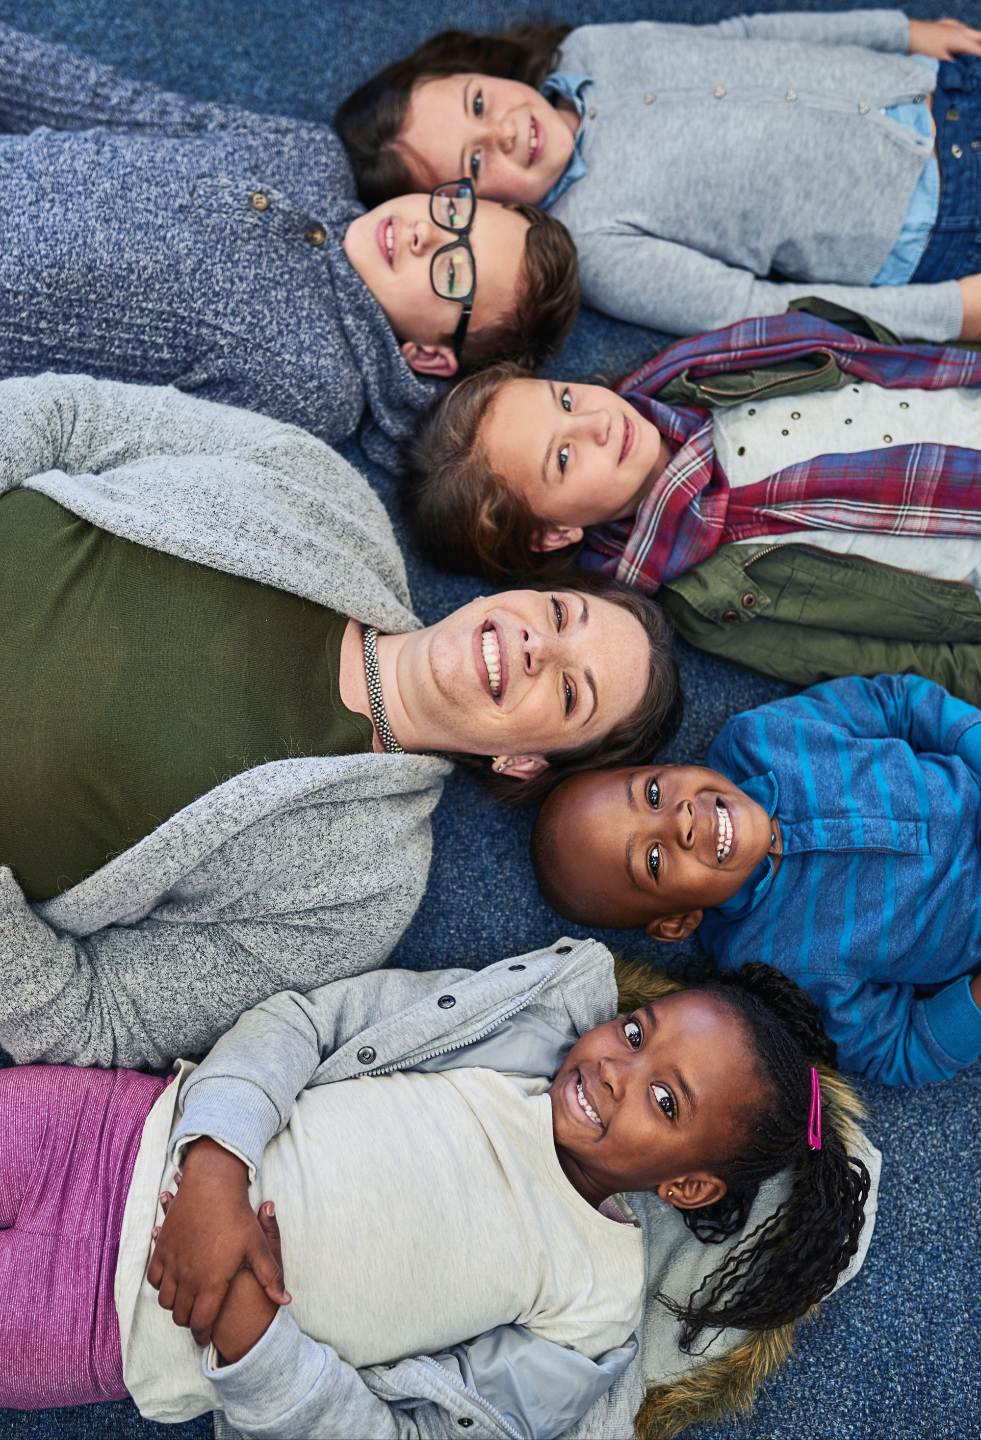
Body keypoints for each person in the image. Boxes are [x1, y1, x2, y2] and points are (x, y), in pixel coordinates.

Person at [0, 371, 679, 1071]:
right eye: (561, 615)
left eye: (571, 693)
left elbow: (101, 1021)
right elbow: (69, 417)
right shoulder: (329, 495)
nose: (539, 646)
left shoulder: (361, 893)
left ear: (525, 762)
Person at [0, 937, 878, 1440]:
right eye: (637, 1029)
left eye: (662, 1097)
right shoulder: (508, 1039)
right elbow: (304, 1021)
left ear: (686, 1184)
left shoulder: (592, 1310)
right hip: (111, 1134)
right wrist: (215, 1170)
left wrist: (250, 1330)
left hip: (112, 1320)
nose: (616, 1066)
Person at [0, 24, 579, 471]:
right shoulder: (311, 155)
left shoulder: (317, 383)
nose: (426, 233)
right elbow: (114, 107)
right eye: (458, 211)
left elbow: (115, 435)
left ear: (427, 354)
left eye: (455, 269)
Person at [405, 303, 981, 703]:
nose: (597, 422)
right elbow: (890, 664)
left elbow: (876, 347)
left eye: (564, 399)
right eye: (563, 457)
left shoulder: (697, 374)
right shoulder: (708, 603)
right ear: (553, 534)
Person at [336, 12, 981, 341]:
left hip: (946, 91)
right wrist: (949, 314)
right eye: (475, 164)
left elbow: (747, 34)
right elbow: (757, 311)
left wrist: (900, 30)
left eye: (479, 102)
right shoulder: (597, 243)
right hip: (940, 222)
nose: (502, 131)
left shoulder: (590, 47)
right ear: (470, 212)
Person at [531, 672, 981, 1087]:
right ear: (677, 922)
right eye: (653, 860)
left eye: (652, 793)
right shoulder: (773, 967)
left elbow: (896, 703)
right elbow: (897, 1050)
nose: (680, 820)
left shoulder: (758, 737)